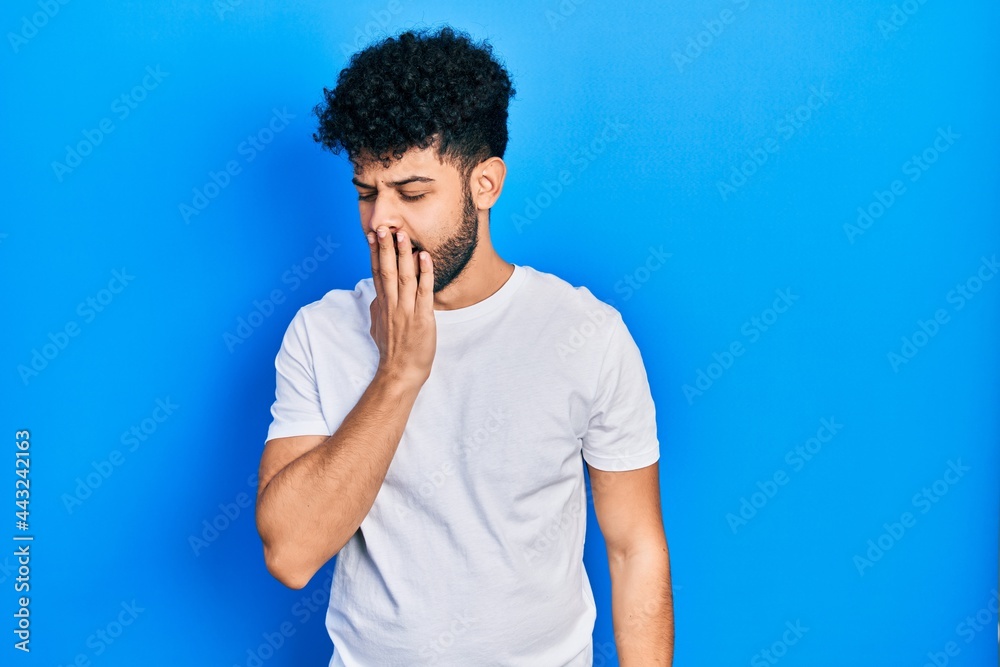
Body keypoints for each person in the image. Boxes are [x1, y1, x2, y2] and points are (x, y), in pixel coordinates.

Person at [254, 24, 673, 666]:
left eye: (412, 193)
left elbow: (634, 547)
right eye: (367, 193)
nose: (380, 222)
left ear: (486, 184)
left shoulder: (586, 333)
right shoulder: (321, 333)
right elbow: (290, 552)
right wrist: (399, 373)